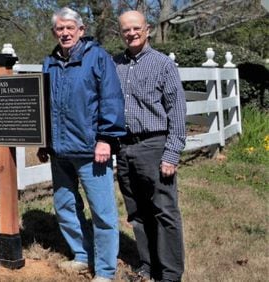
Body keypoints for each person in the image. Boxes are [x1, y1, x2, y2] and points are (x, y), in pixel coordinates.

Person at [37, 7, 126, 282]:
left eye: (69, 28)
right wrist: (43, 140)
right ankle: (81, 255)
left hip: (91, 150)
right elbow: (42, 104)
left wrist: (105, 139)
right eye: (60, 29)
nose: (64, 33)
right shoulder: (49, 62)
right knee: (65, 205)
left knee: (102, 212)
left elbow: (111, 99)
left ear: (81, 30)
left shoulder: (98, 58)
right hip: (59, 150)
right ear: (55, 32)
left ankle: (105, 270)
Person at [113, 10, 187, 282]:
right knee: (137, 212)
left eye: (136, 28)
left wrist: (171, 153)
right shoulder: (116, 64)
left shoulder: (163, 65)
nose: (131, 34)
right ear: (120, 33)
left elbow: (177, 113)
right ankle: (148, 266)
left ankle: (169, 274)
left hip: (154, 145)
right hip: (124, 148)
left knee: (164, 212)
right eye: (126, 30)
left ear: (147, 29)